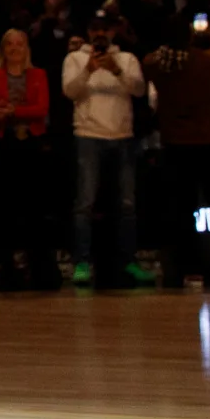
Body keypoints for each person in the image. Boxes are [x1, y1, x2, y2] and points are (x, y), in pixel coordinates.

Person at [145, 18, 210, 287]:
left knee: (183, 210)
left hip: (176, 144)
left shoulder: (154, 64)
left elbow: (152, 102)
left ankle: (190, 270)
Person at [61, 14, 148, 287]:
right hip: (88, 134)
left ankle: (129, 262)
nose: (100, 34)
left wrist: (116, 70)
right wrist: (88, 69)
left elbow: (139, 90)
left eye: (105, 29)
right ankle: (82, 263)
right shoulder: (74, 59)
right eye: (95, 29)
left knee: (127, 204)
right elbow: (69, 91)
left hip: (122, 135)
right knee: (85, 203)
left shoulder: (127, 59)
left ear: (113, 32)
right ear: (89, 31)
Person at [0, 28, 57, 288]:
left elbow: (42, 109)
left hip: (32, 145)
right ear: (3, 49)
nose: (14, 48)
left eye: (19, 44)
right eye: (9, 44)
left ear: (26, 48)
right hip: (4, 144)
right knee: (4, 206)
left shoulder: (38, 75)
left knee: (35, 206)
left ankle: (39, 266)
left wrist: (14, 111)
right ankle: (5, 264)